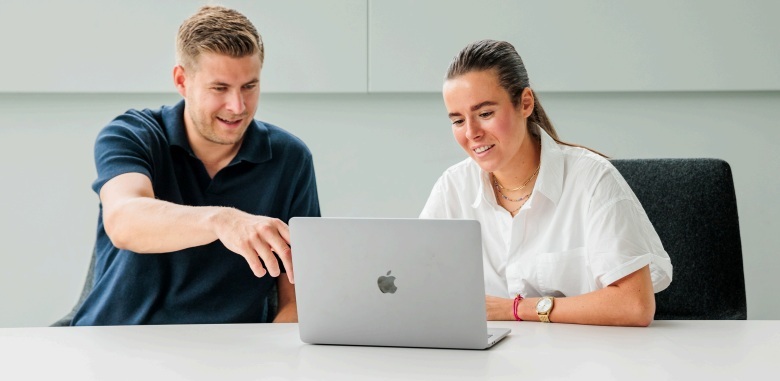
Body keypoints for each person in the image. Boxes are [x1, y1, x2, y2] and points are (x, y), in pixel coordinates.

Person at [71, 5, 320, 325]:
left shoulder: (290, 159)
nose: (238, 106)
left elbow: (297, 301)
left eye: (249, 86)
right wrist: (223, 221)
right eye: (220, 88)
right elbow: (124, 221)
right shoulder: (133, 134)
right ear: (182, 80)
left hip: (232, 348)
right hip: (116, 339)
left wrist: (270, 352)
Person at [420, 40, 672, 326]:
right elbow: (416, 285)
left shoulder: (592, 179)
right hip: (487, 353)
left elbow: (634, 306)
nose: (471, 133)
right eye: (457, 121)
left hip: (582, 353)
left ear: (525, 103)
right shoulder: (452, 188)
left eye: (485, 114)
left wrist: (515, 309)